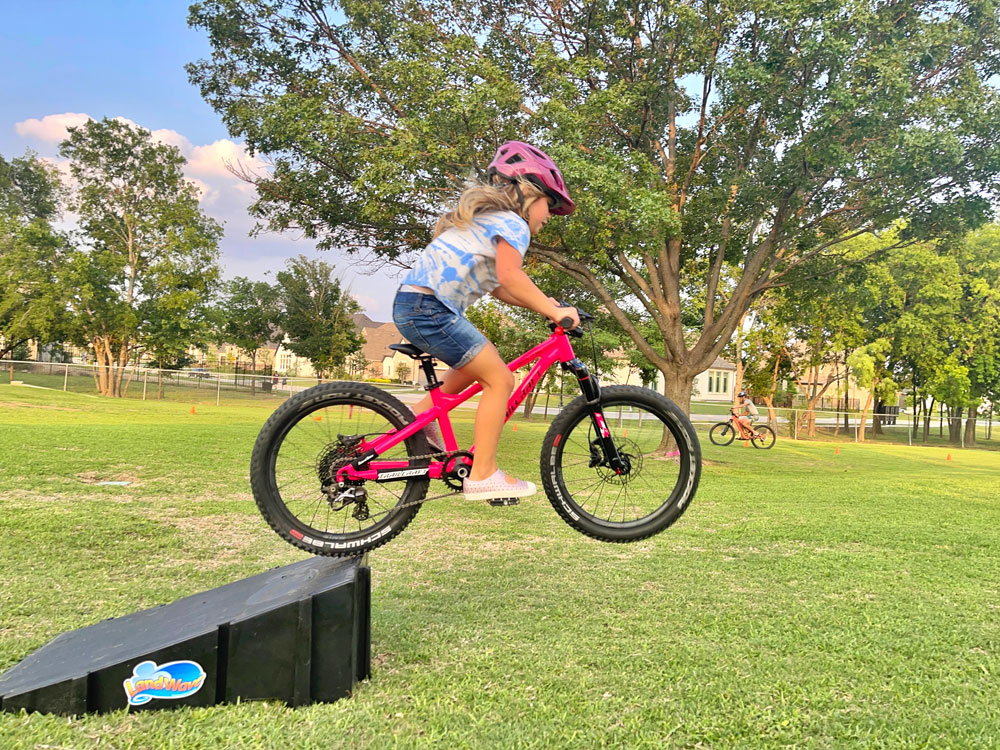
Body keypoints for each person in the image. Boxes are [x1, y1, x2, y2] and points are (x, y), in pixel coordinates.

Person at [392, 141, 580, 503]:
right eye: (550, 205)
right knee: (500, 378)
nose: (550, 215)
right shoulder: (513, 223)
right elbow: (511, 277)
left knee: (477, 363)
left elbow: (498, 286)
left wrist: (547, 306)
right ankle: (483, 474)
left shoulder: (488, 223)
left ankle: (417, 420)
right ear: (529, 191)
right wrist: (555, 312)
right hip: (431, 308)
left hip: (419, 304)